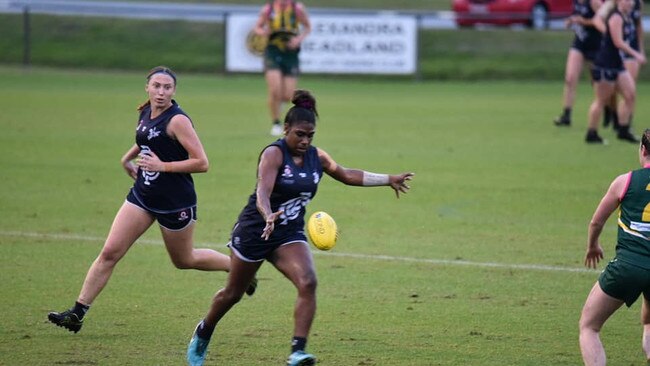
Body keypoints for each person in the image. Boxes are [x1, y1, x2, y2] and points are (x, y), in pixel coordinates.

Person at [186, 90, 414, 366]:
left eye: (310, 136)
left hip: (287, 234)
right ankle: (204, 331)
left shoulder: (317, 157)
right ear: (286, 129)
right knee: (233, 293)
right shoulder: (273, 154)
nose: (305, 141)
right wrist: (268, 215)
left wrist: (388, 179)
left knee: (308, 281)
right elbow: (262, 191)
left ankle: (297, 352)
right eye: (299, 134)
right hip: (255, 232)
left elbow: (346, 174)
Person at [47, 66, 254, 334]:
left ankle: (239, 269)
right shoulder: (146, 109)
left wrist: (162, 166)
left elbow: (202, 163)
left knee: (184, 259)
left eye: (167, 87)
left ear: (174, 91)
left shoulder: (178, 120)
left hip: (175, 202)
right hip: (142, 195)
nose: (161, 92)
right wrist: (126, 158)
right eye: (156, 86)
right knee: (110, 253)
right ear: (147, 86)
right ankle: (77, 313)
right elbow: (145, 137)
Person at [579, 129, 650, 365]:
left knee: (589, 326)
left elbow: (596, 221)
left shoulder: (626, 181)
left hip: (628, 266)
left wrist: (592, 246)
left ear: (642, 150)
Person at [584, 0, 645, 144]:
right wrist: (636, 55)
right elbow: (618, 42)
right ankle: (591, 133)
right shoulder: (616, 17)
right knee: (601, 100)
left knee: (630, 95)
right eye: (625, 0)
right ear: (618, 2)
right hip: (606, 64)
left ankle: (623, 130)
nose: (629, 3)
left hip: (618, 65)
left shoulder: (627, 17)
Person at [253, 0, 311, 136]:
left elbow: (308, 27)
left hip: (290, 54)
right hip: (273, 52)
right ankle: (276, 123)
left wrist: (298, 40)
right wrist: (263, 32)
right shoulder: (268, 9)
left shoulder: (297, 8)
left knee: (287, 95)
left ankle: (279, 103)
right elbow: (257, 27)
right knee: (274, 90)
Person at [553, 0, 603, 127]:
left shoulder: (594, 2)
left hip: (596, 45)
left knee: (597, 83)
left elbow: (603, 21)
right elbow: (577, 17)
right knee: (570, 79)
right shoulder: (576, 2)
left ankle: (608, 111)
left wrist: (582, 21)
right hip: (580, 43)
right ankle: (566, 115)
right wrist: (571, 21)